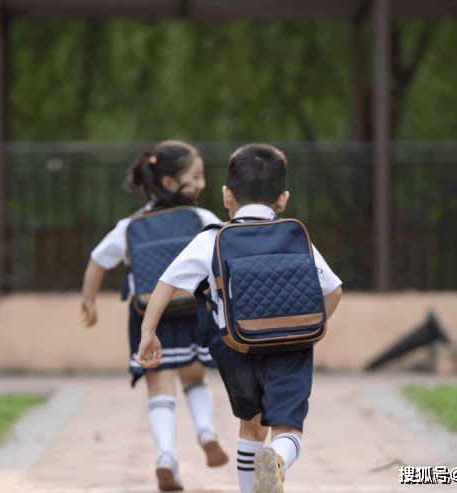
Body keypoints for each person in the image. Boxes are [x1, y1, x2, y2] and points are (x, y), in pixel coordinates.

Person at [135, 143, 342, 493]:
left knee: (250, 426)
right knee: (288, 428)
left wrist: (148, 331)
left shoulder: (213, 239)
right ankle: (277, 458)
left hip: (235, 349)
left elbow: (166, 282)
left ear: (227, 195)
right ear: (283, 200)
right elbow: (333, 290)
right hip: (290, 350)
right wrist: (309, 330)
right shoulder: (294, 235)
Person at [81, 140, 228, 491]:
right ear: (169, 182)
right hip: (194, 312)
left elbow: (98, 260)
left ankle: (166, 457)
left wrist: (89, 300)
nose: (202, 183)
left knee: (159, 390)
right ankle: (206, 431)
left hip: (151, 320)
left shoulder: (130, 225)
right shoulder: (202, 219)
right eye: (196, 176)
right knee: (194, 378)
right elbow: (228, 250)